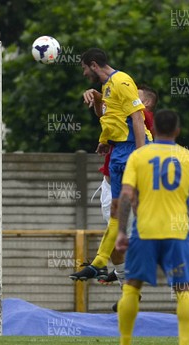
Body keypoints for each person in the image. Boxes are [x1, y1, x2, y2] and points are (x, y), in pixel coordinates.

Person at [103, 109, 189, 345]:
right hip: (177, 234)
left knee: (131, 288)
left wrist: (121, 232)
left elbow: (126, 196)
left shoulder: (139, 156)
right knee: (184, 289)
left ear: (153, 131)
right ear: (177, 131)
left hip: (145, 232)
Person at [69, 48, 153, 282]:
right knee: (118, 214)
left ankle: (104, 264)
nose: (84, 73)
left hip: (130, 151)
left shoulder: (122, 81)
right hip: (117, 152)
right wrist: (105, 141)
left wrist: (139, 155)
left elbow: (137, 117)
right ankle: (98, 264)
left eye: (85, 68)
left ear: (93, 65)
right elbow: (107, 118)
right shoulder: (107, 87)